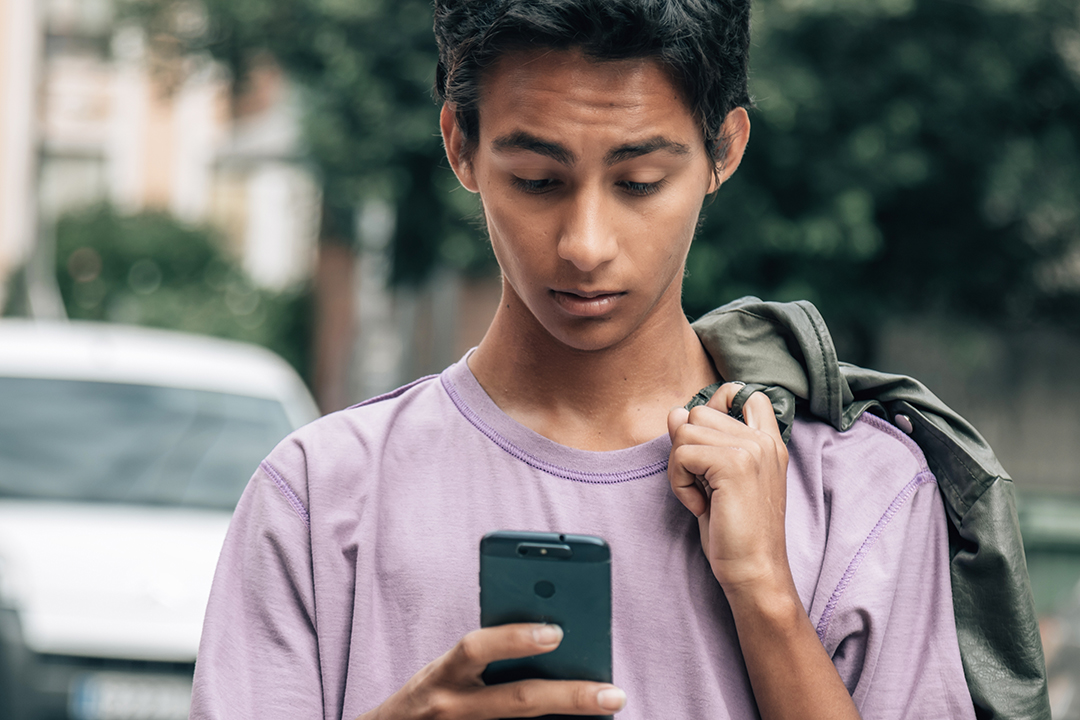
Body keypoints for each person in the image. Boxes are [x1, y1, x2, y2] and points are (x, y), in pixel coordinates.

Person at [189, 1, 979, 718]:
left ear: (722, 151)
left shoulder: (860, 493)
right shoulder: (323, 496)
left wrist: (766, 594)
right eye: (537, 180)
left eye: (639, 182)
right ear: (460, 146)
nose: (585, 245)